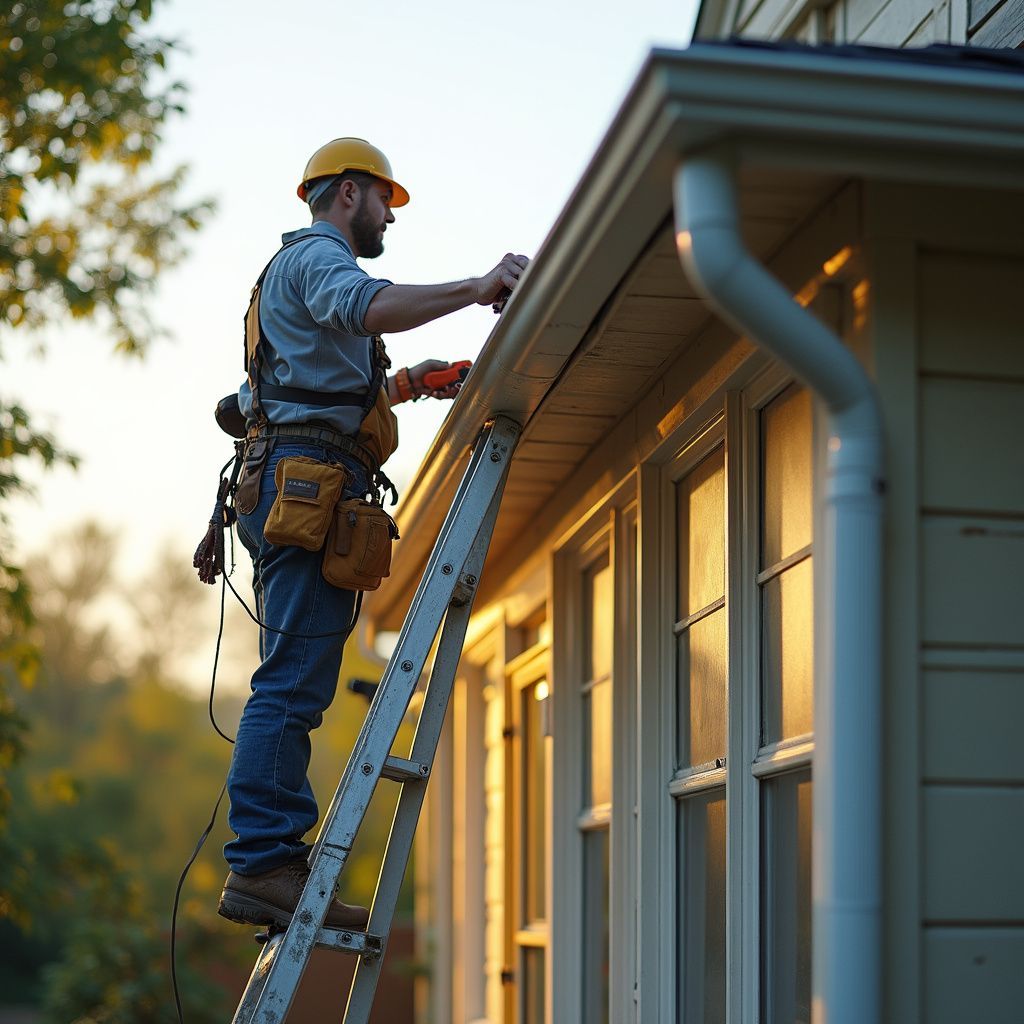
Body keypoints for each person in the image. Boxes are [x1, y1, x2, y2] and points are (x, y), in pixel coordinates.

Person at [218, 138, 528, 930]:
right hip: (304, 486)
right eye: (385, 200)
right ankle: (263, 866)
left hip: (296, 481)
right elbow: (367, 306)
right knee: (290, 684)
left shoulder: (299, 274)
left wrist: (406, 384)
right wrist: (476, 285)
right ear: (349, 192)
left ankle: (270, 863)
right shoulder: (321, 257)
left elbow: (312, 384)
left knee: (296, 681)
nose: (391, 215)